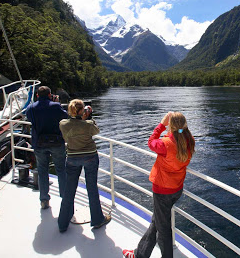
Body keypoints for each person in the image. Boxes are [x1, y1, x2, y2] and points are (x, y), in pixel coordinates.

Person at [123, 111, 195, 258]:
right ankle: (140, 254)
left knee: (163, 231)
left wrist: (162, 125)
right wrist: (176, 126)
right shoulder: (189, 140)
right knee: (157, 222)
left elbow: (151, 142)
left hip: (163, 191)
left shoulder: (165, 144)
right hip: (176, 189)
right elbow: (181, 132)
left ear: (171, 126)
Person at [57, 99, 111, 232]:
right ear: (82, 111)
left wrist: (80, 117)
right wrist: (89, 118)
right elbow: (96, 130)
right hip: (90, 157)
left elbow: (71, 124)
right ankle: (97, 219)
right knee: (91, 188)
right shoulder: (87, 125)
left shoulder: (63, 124)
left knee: (69, 190)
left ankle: (62, 223)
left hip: (72, 158)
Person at [26, 86, 68, 209]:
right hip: (56, 143)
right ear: (50, 95)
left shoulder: (31, 108)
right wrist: (57, 103)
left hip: (39, 144)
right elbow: (65, 117)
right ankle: (65, 199)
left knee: (42, 171)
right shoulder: (55, 106)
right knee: (61, 170)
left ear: (37, 96)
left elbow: (30, 120)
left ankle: (44, 200)